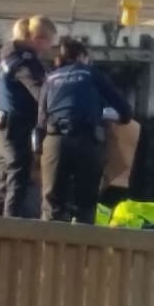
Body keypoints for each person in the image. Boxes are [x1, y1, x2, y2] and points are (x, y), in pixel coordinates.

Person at [37, 38, 133, 223]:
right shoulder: (91, 74)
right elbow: (125, 111)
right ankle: (81, 246)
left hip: (55, 139)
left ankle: (48, 247)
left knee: (52, 204)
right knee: (86, 203)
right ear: (82, 56)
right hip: (86, 140)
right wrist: (108, 116)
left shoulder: (49, 79)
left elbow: (41, 119)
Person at [0, 15, 56, 217]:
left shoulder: (8, 57)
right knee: (17, 179)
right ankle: (10, 229)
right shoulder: (25, 62)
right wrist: (56, 107)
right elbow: (40, 93)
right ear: (37, 38)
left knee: (4, 183)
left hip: (3, 126)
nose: (48, 48)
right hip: (15, 127)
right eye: (48, 42)